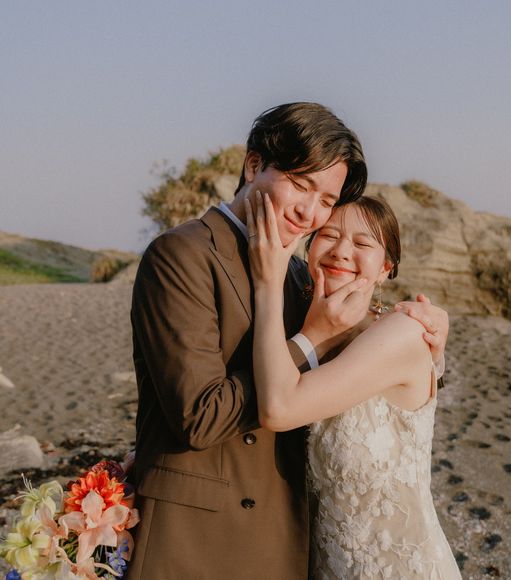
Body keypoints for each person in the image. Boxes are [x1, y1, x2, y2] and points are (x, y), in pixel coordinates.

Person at [126, 102, 449, 579]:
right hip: (195, 538)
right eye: (300, 184)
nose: (308, 212)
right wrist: (310, 338)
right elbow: (200, 417)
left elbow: (364, 361)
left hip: (284, 538)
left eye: (326, 200)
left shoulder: (301, 273)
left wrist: (432, 342)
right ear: (253, 165)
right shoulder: (182, 255)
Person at [247, 192, 461, 579]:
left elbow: (279, 409)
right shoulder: (301, 322)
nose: (342, 252)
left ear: (385, 268)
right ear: (309, 247)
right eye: (329, 236)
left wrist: (268, 285)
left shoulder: (403, 332)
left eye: (363, 244)